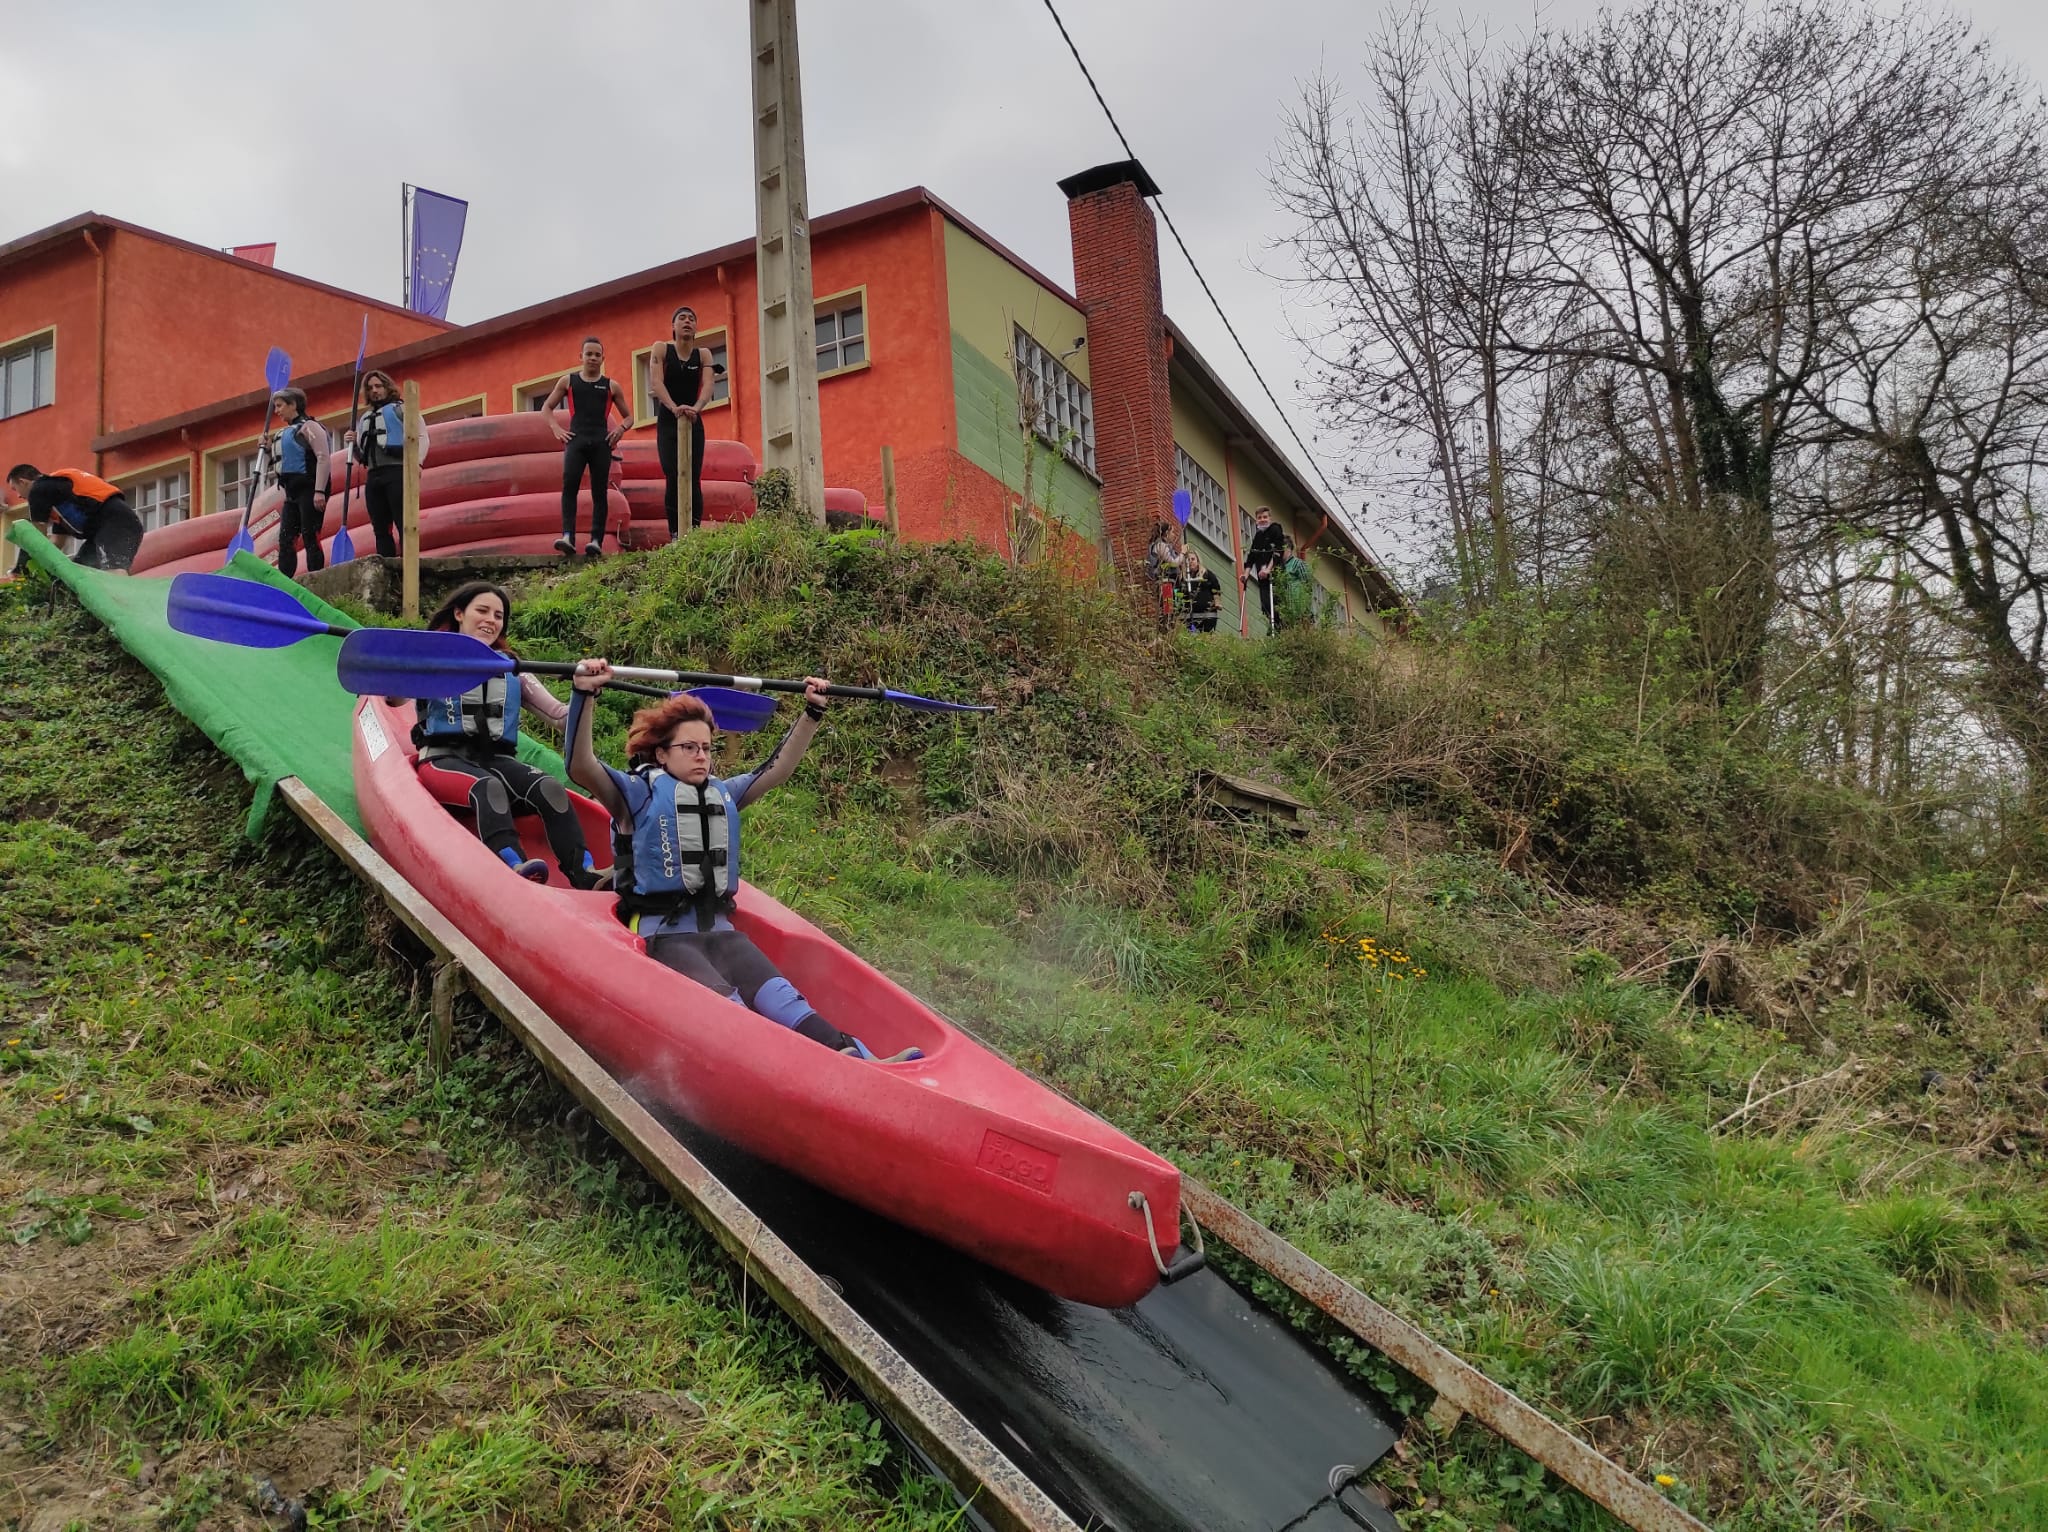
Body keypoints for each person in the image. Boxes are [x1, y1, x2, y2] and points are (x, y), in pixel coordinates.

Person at [565, 665, 920, 1061]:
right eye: (689, 747)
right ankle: (795, 1071)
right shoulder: (636, 795)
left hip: (722, 933)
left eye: (706, 747)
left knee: (785, 1000)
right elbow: (580, 766)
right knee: (731, 1010)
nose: (702, 756)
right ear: (662, 753)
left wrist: (812, 713)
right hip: (664, 937)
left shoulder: (724, 793)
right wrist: (584, 695)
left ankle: (858, 1059)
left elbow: (776, 770)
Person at [412, 581, 601, 888]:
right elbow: (393, 699)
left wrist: (584, 692)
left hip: (495, 761)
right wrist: (407, 666)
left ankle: (585, 874)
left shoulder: (513, 669)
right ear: (459, 614)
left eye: (498, 616)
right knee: (488, 786)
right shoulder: (432, 659)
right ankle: (514, 865)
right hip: (442, 760)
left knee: (550, 787)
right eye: (482, 611)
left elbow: (561, 718)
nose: (491, 620)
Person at [540, 338, 632, 557]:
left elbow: (629, 417)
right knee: (569, 486)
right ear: (580, 357)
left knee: (599, 492)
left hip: (601, 443)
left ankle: (596, 541)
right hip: (576, 441)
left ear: (603, 359)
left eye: (597, 355)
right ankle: (567, 536)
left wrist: (620, 429)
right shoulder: (568, 382)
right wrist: (556, 429)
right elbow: (546, 408)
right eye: (588, 354)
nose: (592, 358)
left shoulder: (611, 386)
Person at [344, 370, 430, 559]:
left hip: (397, 472)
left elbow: (422, 436)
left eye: (378, 386)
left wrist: (418, 463)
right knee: (380, 527)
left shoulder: (402, 409)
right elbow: (363, 456)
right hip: (374, 477)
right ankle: (387, 564)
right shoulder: (365, 419)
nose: (374, 391)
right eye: (370, 388)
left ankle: (409, 563)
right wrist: (353, 443)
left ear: (387, 387)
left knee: (404, 522)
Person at [648, 306, 715, 539]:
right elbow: (656, 382)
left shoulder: (703, 355)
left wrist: (696, 408)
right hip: (668, 419)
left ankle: (694, 533)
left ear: (696, 328)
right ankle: (675, 532)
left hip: (694, 419)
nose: (687, 322)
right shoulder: (661, 349)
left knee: (693, 476)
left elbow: (708, 384)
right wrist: (673, 407)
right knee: (673, 474)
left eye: (692, 319)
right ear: (673, 326)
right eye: (682, 318)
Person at [6, 464, 145, 573]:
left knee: (113, 568)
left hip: (115, 523)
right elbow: (57, 543)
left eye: (15, 489)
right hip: (110, 527)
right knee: (82, 571)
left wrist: (22, 568)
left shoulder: (39, 489)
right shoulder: (60, 499)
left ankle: (119, 599)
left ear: (22, 482)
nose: (18, 496)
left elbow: (37, 536)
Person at [266, 388, 331, 579]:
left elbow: (323, 457)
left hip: (310, 488)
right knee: (286, 539)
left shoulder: (309, 427)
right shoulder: (285, 432)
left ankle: (316, 578)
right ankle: (285, 581)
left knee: (310, 534)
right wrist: (268, 448)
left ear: (293, 405)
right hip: (292, 492)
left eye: (280, 406)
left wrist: (319, 491)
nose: (277, 411)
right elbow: (285, 459)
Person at [1242, 506, 1284, 632]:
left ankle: (1281, 629)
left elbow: (1278, 551)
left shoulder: (1275, 529)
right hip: (1263, 577)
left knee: (1276, 604)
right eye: (1259, 518)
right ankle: (1275, 630)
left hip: (1275, 575)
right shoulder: (1258, 535)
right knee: (1265, 606)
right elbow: (1252, 556)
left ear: (1270, 518)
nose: (1262, 520)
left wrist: (1269, 569)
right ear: (1256, 520)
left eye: (1265, 517)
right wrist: (1246, 574)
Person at [1276, 537, 1314, 630]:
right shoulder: (1279, 568)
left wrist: (1305, 608)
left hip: (1299, 609)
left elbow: (1307, 585)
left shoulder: (1298, 564)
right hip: (1286, 612)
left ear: (1288, 548)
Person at [1182, 549, 1222, 633]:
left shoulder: (1206, 574)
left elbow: (1216, 588)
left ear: (1198, 560)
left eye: (1193, 559)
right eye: (1188, 560)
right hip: (1191, 617)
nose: (1190, 562)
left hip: (1207, 616)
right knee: (1192, 634)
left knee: (1206, 635)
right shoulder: (1184, 578)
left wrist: (1217, 602)